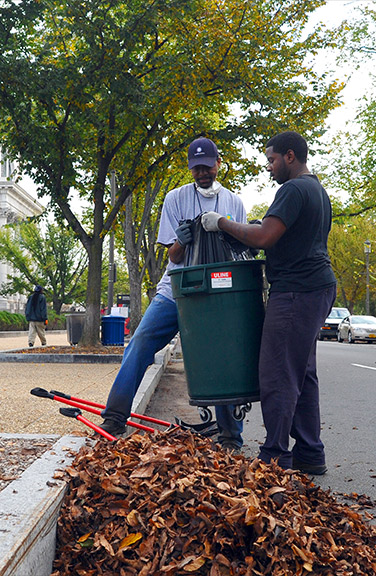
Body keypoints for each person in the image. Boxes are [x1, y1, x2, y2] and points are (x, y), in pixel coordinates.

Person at [99, 137, 247, 451]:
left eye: (207, 166)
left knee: (221, 358)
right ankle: (115, 416)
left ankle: (230, 435)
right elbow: (173, 256)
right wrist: (182, 239)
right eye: (196, 168)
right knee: (140, 342)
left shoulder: (234, 203)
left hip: (217, 295)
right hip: (177, 289)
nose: (202, 173)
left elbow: (240, 250)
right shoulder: (176, 198)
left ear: (218, 163)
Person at [200, 131, 335, 475]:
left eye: (272, 160)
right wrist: (258, 227)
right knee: (302, 372)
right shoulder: (317, 190)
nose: (269, 168)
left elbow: (263, 239)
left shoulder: (292, 189)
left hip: (295, 291)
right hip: (316, 287)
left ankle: (274, 455)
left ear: (290, 156)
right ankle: (309, 453)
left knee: (277, 372)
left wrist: (223, 223)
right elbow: (288, 236)